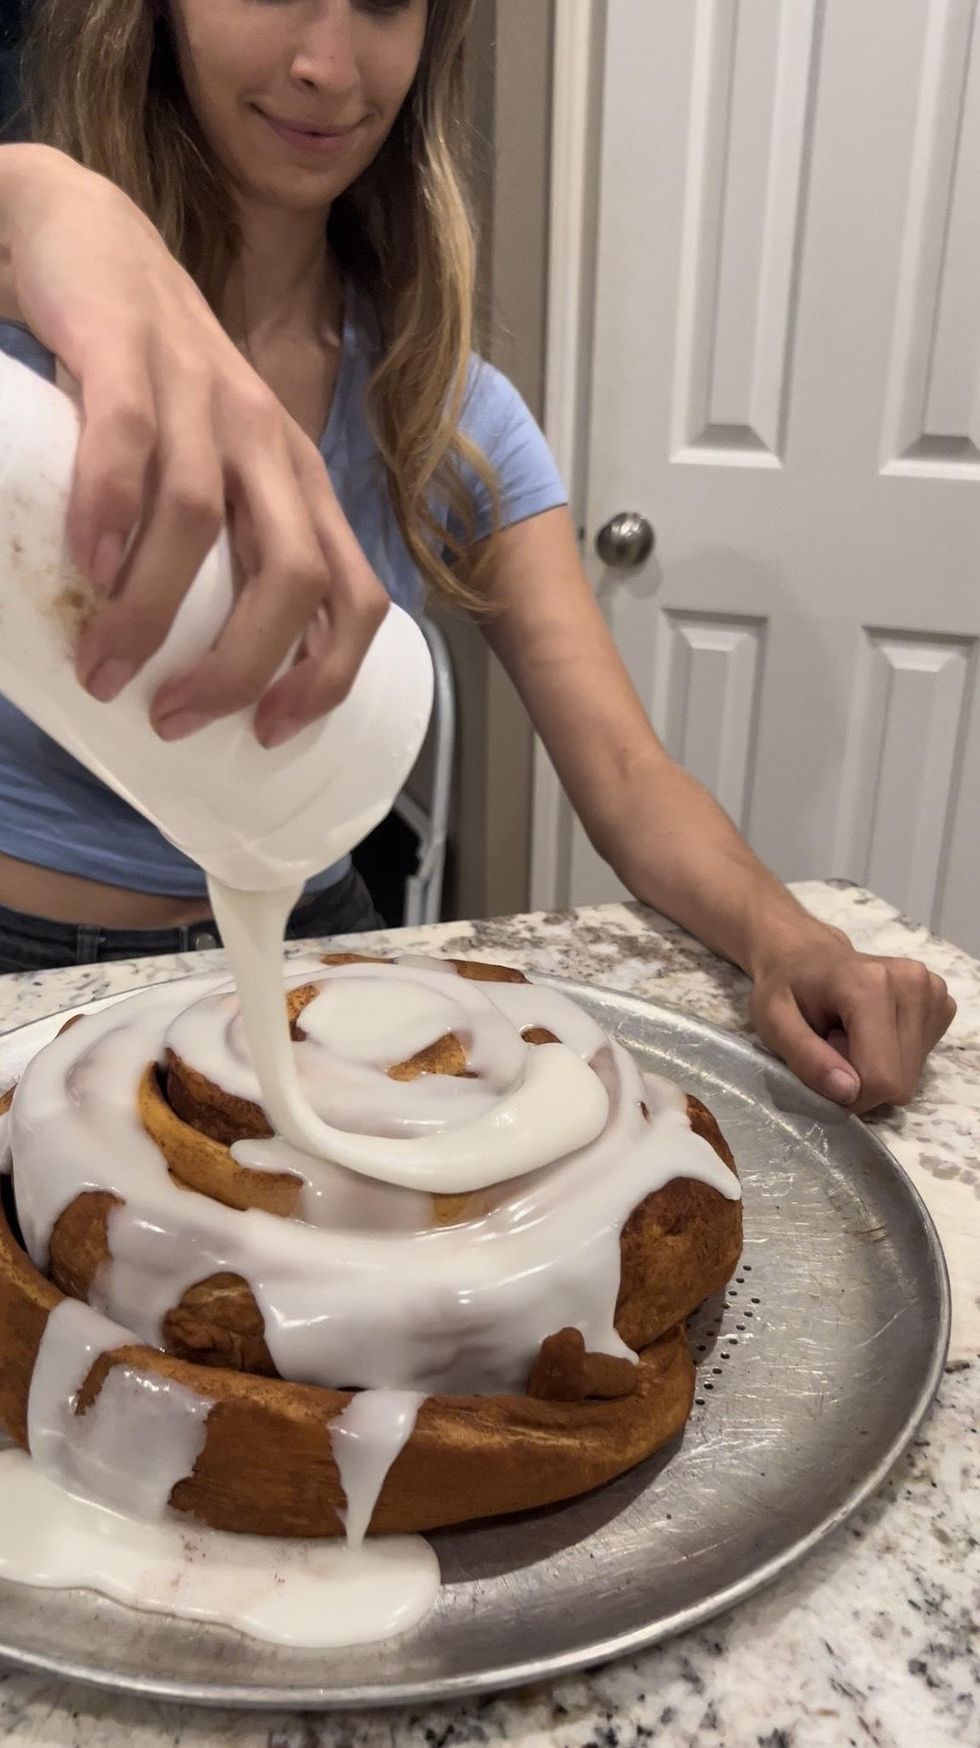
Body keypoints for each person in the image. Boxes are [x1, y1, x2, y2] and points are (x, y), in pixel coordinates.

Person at [0, 0, 954, 1113]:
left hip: (315, 952)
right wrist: (37, 191)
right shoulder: (26, 358)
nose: (327, 66)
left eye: (385, 2)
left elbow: (628, 777)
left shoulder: (443, 418)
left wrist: (786, 937)